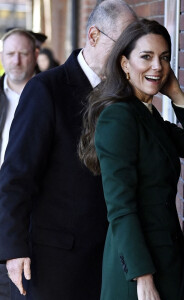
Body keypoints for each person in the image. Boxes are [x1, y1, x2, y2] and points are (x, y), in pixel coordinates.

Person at [0, 1, 137, 300]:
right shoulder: (45, 89)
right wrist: (14, 249)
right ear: (93, 36)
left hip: (110, 257)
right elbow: (16, 174)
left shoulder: (126, 94)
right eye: (122, 45)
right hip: (53, 263)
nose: (128, 56)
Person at [79, 19, 184, 300]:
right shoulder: (120, 117)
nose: (157, 66)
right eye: (146, 57)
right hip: (140, 267)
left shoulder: (145, 114)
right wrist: (143, 277)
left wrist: (176, 93)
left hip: (166, 256)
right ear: (125, 64)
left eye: (164, 58)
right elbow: (120, 206)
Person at [0, 28, 38, 300]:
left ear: (35, 55)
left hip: (34, 213)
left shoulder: (50, 95)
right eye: (10, 54)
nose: (16, 61)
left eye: (23, 53)